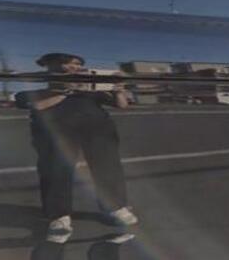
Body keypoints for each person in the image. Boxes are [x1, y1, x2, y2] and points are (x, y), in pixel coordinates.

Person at [16, 53, 138, 238]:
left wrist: (119, 89)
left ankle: (115, 208)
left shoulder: (90, 92)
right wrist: (65, 91)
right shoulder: (36, 92)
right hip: (58, 135)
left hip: (99, 132)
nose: (76, 68)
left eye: (78, 65)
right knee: (56, 170)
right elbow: (38, 106)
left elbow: (121, 105)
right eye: (69, 64)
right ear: (50, 66)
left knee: (108, 168)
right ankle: (59, 215)